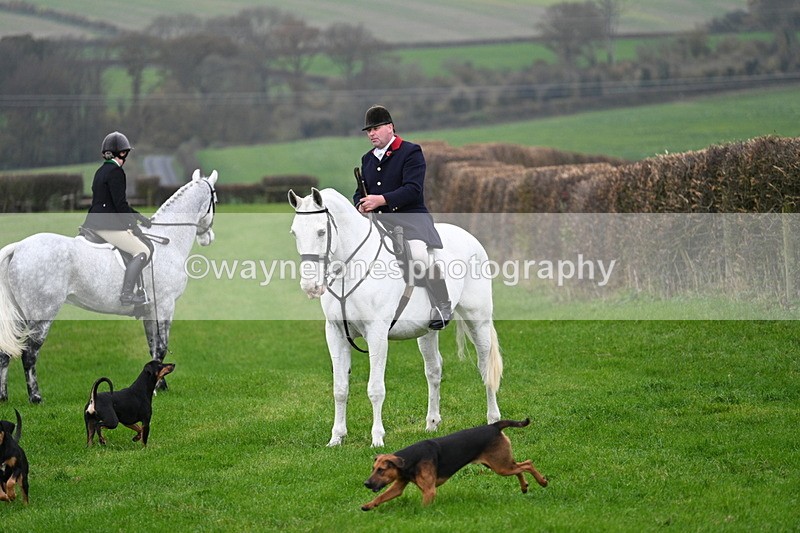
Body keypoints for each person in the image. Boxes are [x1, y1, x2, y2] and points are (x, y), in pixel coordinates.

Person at [354, 105, 451, 329]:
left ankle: (443, 305)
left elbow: (413, 189)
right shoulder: (367, 159)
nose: (371, 134)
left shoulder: (410, 151)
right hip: (379, 222)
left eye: (376, 128)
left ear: (390, 127)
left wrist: (381, 200)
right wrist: (360, 203)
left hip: (410, 219)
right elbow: (361, 192)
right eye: (368, 131)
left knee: (418, 255)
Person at [83, 131, 152, 306]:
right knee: (142, 251)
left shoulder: (100, 171)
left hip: (93, 221)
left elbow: (111, 202)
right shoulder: (116, 172)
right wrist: (133, 227)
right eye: (125, 152)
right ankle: (127, 294)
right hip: (107, 225)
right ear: (122, 153)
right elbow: (120, 205)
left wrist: (138, 216)